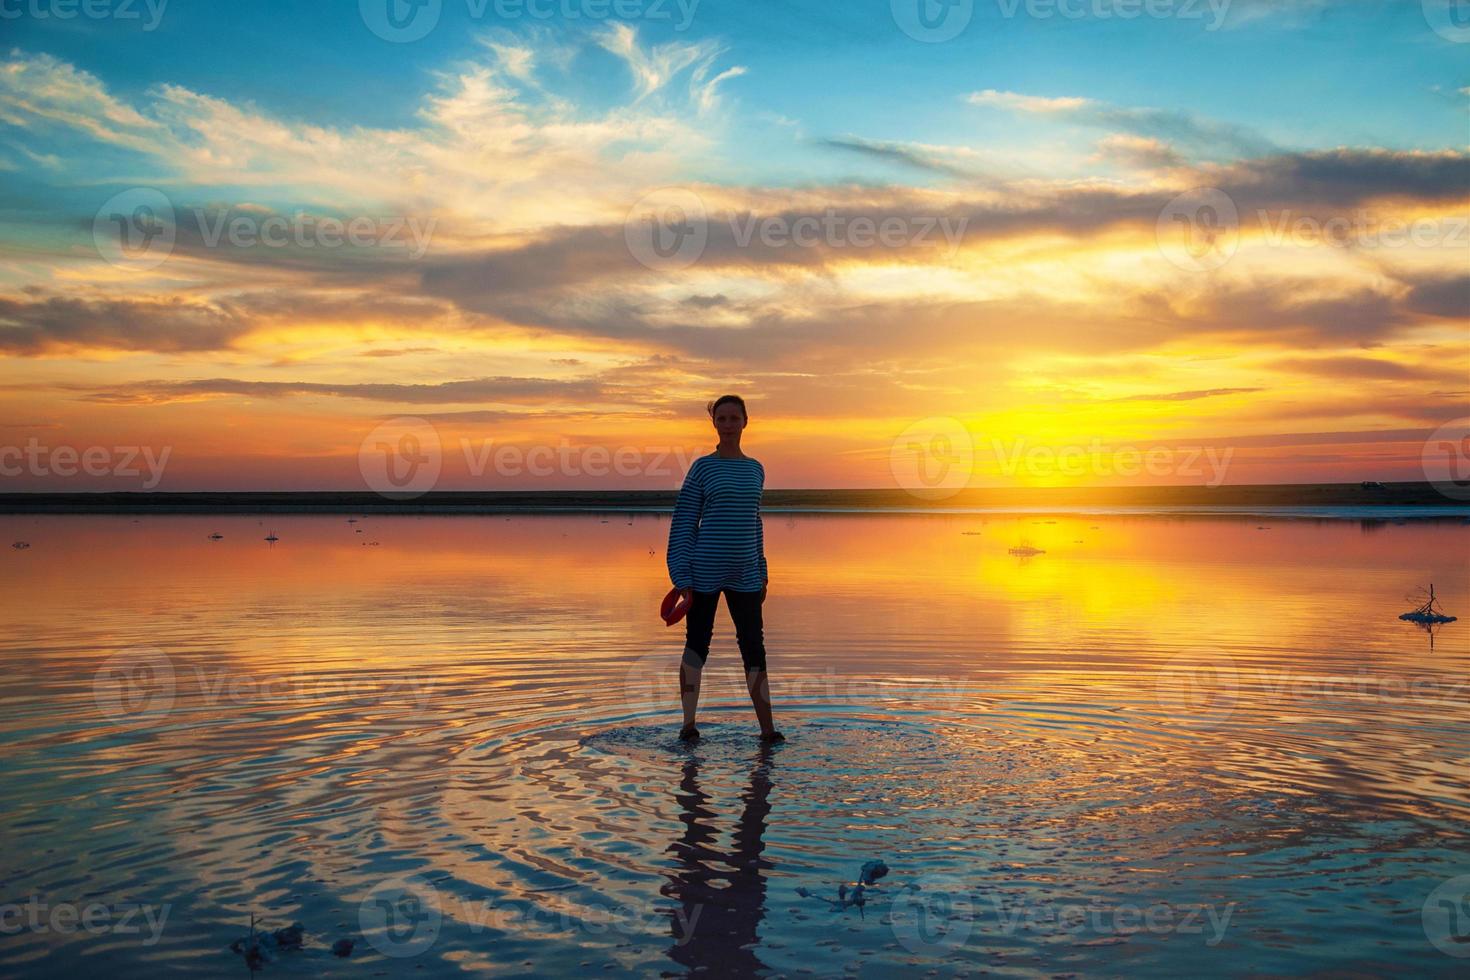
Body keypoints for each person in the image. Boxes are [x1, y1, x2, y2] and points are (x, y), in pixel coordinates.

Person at [666, 394, 783, 742]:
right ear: (714, 423)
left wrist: (761, 569)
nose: (729, 424)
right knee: (697, 644)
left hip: (746, 572)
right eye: (722, 418)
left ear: (746, 422)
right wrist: (681, 576)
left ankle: (768, 730)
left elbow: (754, 522)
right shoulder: (703, 467)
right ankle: (688, 725)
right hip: (703, 570)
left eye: (735, 418)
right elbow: (685, 521)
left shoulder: (755, 469)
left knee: (754, 647)